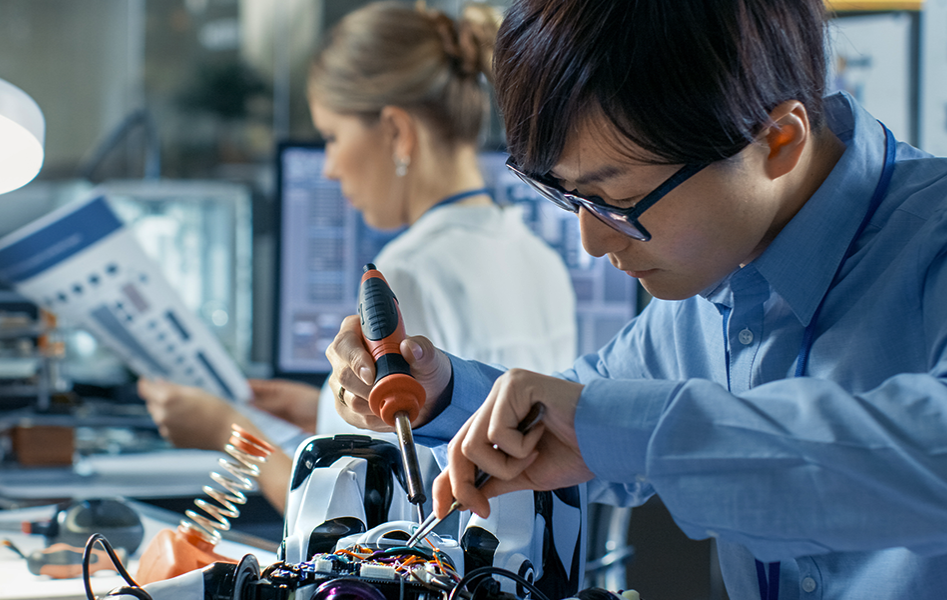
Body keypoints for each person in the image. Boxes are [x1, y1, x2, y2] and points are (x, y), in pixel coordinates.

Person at [324, 0, 947, 598]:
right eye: (569, 196)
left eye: (617, 200)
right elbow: (576, 416)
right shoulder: (709, 282)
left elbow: (928, 456)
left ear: (777, 141)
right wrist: (437, 393)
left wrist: (621, 429)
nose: (593, 241)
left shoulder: (932, 240)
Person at [139, 1, 577, 514]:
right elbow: (476, 418)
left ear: (396, 131)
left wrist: (229, 432)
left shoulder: (406, 275)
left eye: (332, 137)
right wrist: (321, 410)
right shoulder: (539, 259)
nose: (328, 167)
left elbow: (356, 525)